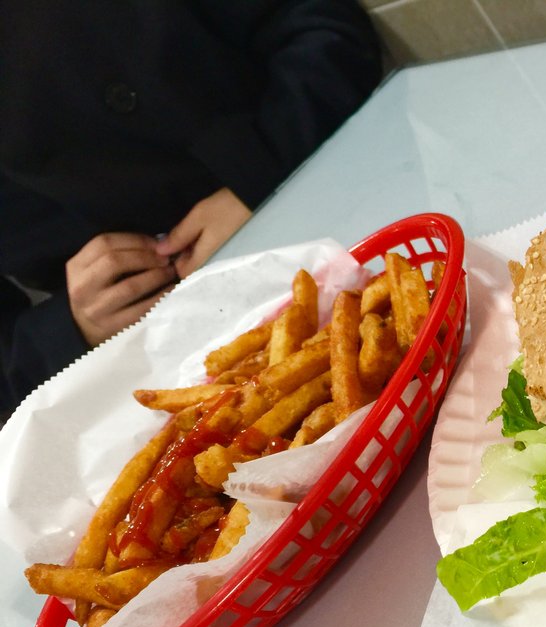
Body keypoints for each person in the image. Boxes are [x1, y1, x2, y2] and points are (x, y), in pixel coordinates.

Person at [0, 0, 383, 418]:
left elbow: (319, 21)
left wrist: (258, 171)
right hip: (146, 359)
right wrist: (65, 330)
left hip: (341, 198)